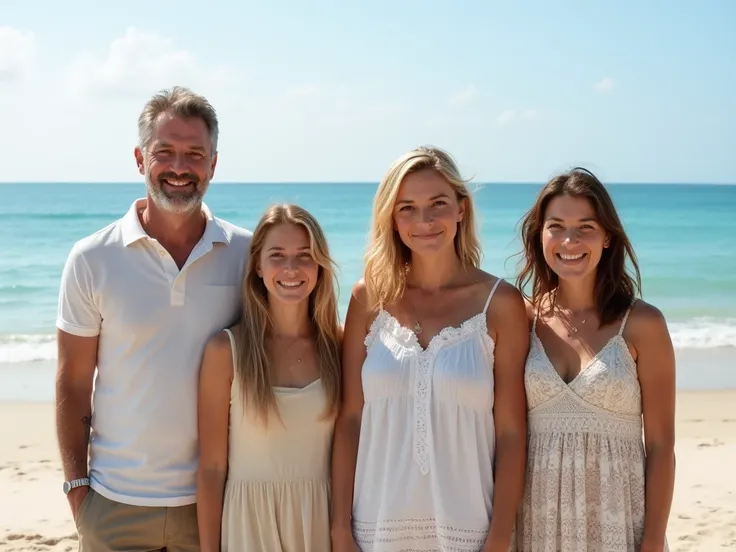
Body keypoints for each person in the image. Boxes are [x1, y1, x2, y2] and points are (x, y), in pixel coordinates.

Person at [55, 86, 252, 551]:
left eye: (194, 154)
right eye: (165, 152)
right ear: (141, 159)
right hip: (112, 504)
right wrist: (77, 492)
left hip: (215, 503)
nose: (180, 167)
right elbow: (73, 381)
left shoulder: (247, 253)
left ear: (213, 164)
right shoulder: (92, 258)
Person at [331, 146, 529, 552]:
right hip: (375, 528)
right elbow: (350, 418)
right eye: (407, 208)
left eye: (437, 203)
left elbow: (511, 433)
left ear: (461, 208)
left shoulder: (501, 304)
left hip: (469, 530)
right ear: (391, 217)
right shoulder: (368, 300)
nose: (424, 221)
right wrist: (339, 528)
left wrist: (498, 537)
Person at [512, 168, 675, 552]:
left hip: (619, 520)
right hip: (538, 520)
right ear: (541, 237)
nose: (570, 240)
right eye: (557, 226)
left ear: (607, 237)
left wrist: (652, 540)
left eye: (586, 226)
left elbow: (662, 445)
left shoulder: (642, 323)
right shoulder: (524, 320)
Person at [196, 203, 341, 552]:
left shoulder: (340, 346)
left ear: (320, 266)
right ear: (258, 267)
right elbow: (212, 468)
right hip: (249, 524)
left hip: (320, 522)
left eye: (304, 255)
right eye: (277, 255)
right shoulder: (226, 350)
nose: (291, 268)